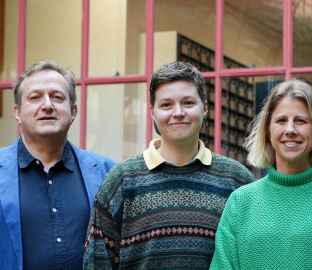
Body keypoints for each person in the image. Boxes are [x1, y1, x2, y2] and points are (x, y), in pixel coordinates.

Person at [83, 61, 255, 270]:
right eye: (166, 105)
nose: (178, 112)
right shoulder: (122, 180)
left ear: (206, 108)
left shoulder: (236, 180)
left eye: (188, 103)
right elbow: (97, 261)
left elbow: (254, 257)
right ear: (152, 112)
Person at [209, 79, 312, 270]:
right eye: (281, 121)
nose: (290, 130)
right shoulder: (240, 201)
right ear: (267, 131)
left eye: (301, 121)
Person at [0, 60, 115, 270]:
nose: (47, 105)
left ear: (73, 111)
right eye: (35, 97)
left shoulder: (108, 173)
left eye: (57, 97)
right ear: (17, 112)